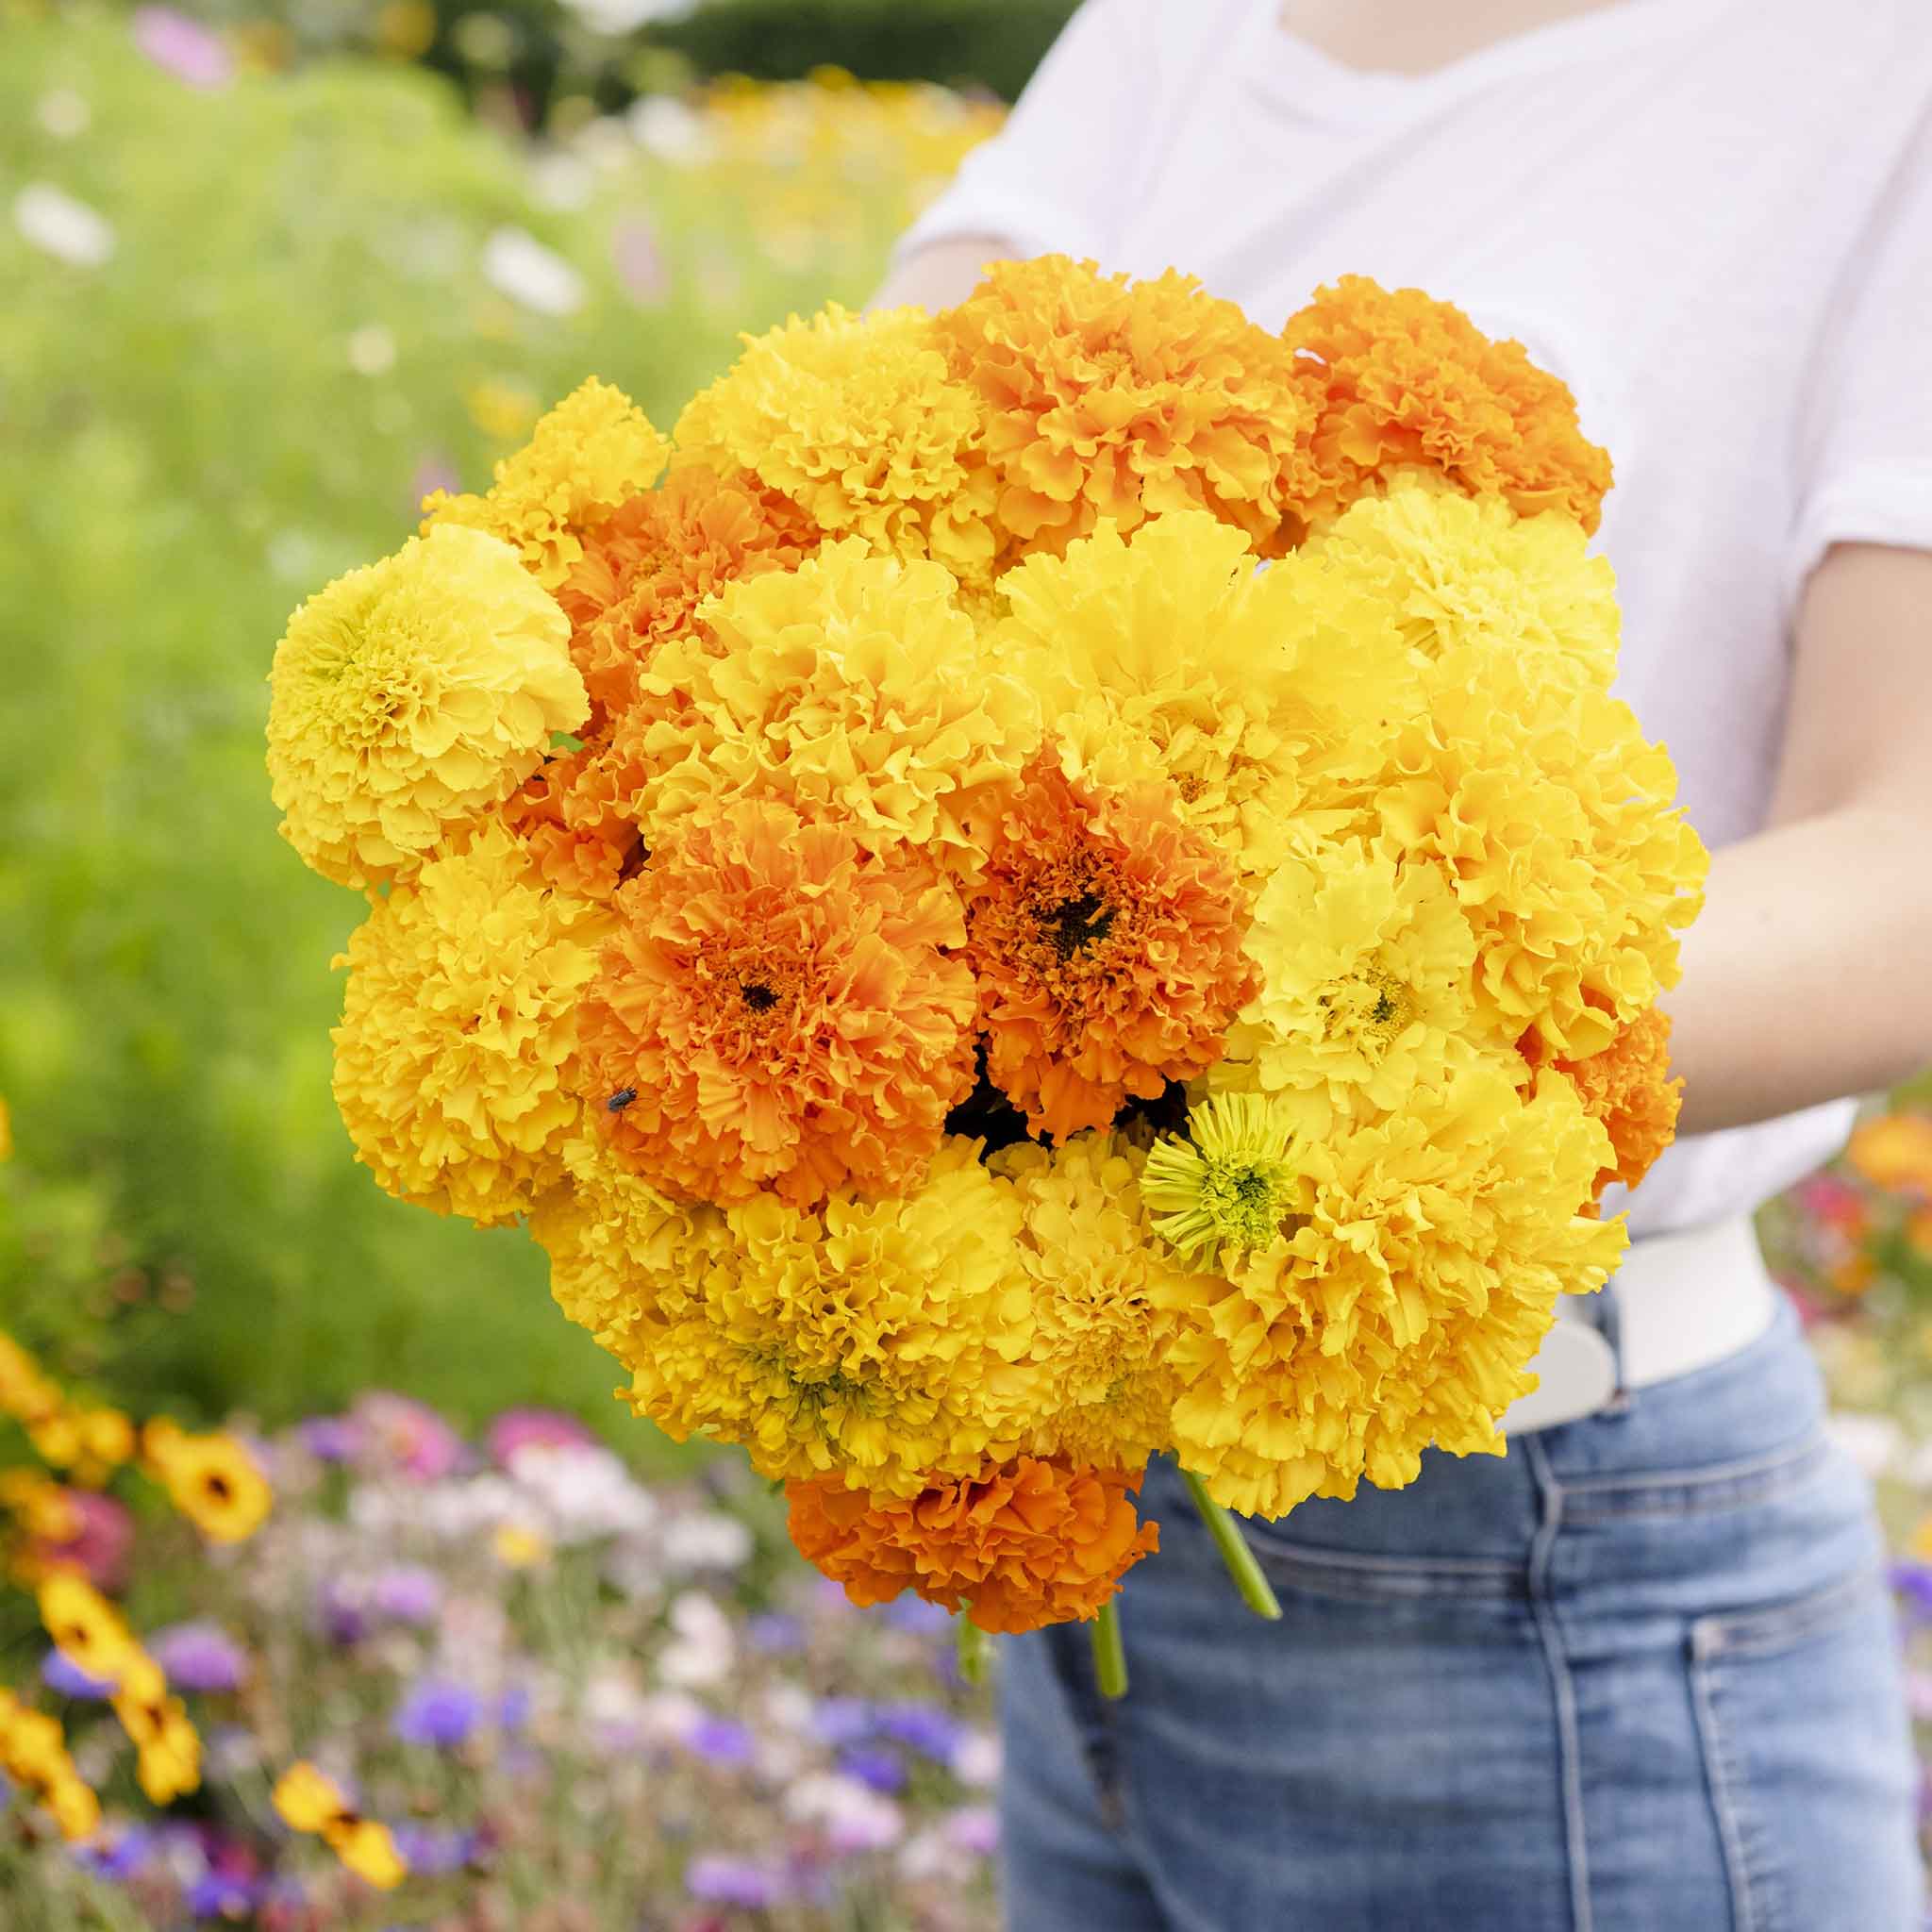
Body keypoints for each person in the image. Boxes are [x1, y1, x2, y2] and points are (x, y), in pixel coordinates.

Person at [873, 2, 1932, 1926]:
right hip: (1094, 1501)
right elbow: (879, 489)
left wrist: (1286, 1041)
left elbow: (1911, 861)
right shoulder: (1173, 26)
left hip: (1539, 1562)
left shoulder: (1872, 75)